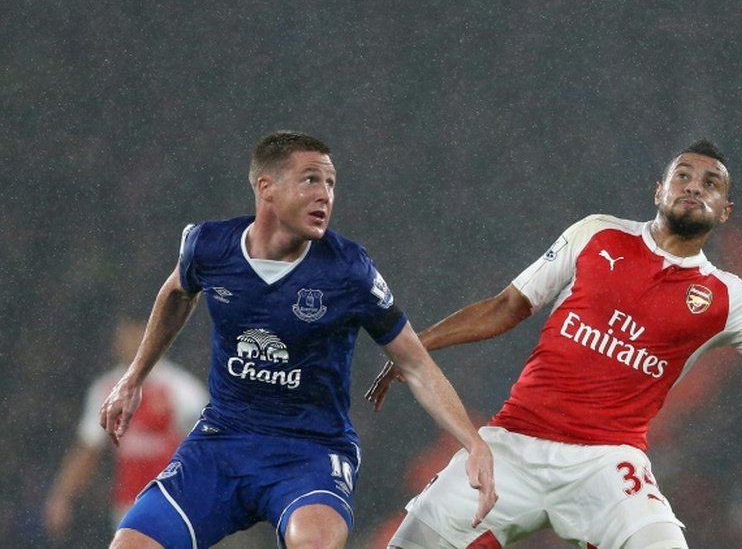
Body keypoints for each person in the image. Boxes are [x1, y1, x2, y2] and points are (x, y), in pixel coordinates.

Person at [367, 139, 742, 549]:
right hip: (512, 444)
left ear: (725, 211)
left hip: (609, 462)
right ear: (659, 190)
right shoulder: (596, 233)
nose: (694, 186)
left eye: (711, 183)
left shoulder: (729, 297)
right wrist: (413, 347)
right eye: (683, 175)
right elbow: (506, 306)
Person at [99, 130, 497, 549]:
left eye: (330, 183)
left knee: (313, 543)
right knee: (130, 543)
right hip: (222, 442)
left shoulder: (349, 270)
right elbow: (178, 293)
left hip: (310, 452)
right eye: (311, 179)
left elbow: (415, 363)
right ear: (266, 188)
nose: (325, 194)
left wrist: (473, 442)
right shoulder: (209, 247)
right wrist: (133, 377)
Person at [44, 319, 208, 541]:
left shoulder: (182, 391)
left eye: (134, 336)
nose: (127, 344)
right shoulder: (106, 390)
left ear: (152, 337)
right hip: (127, 503)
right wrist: (63, 496)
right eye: (122, 338)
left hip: (173, 502)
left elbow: (208, 447)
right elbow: (88, 449)